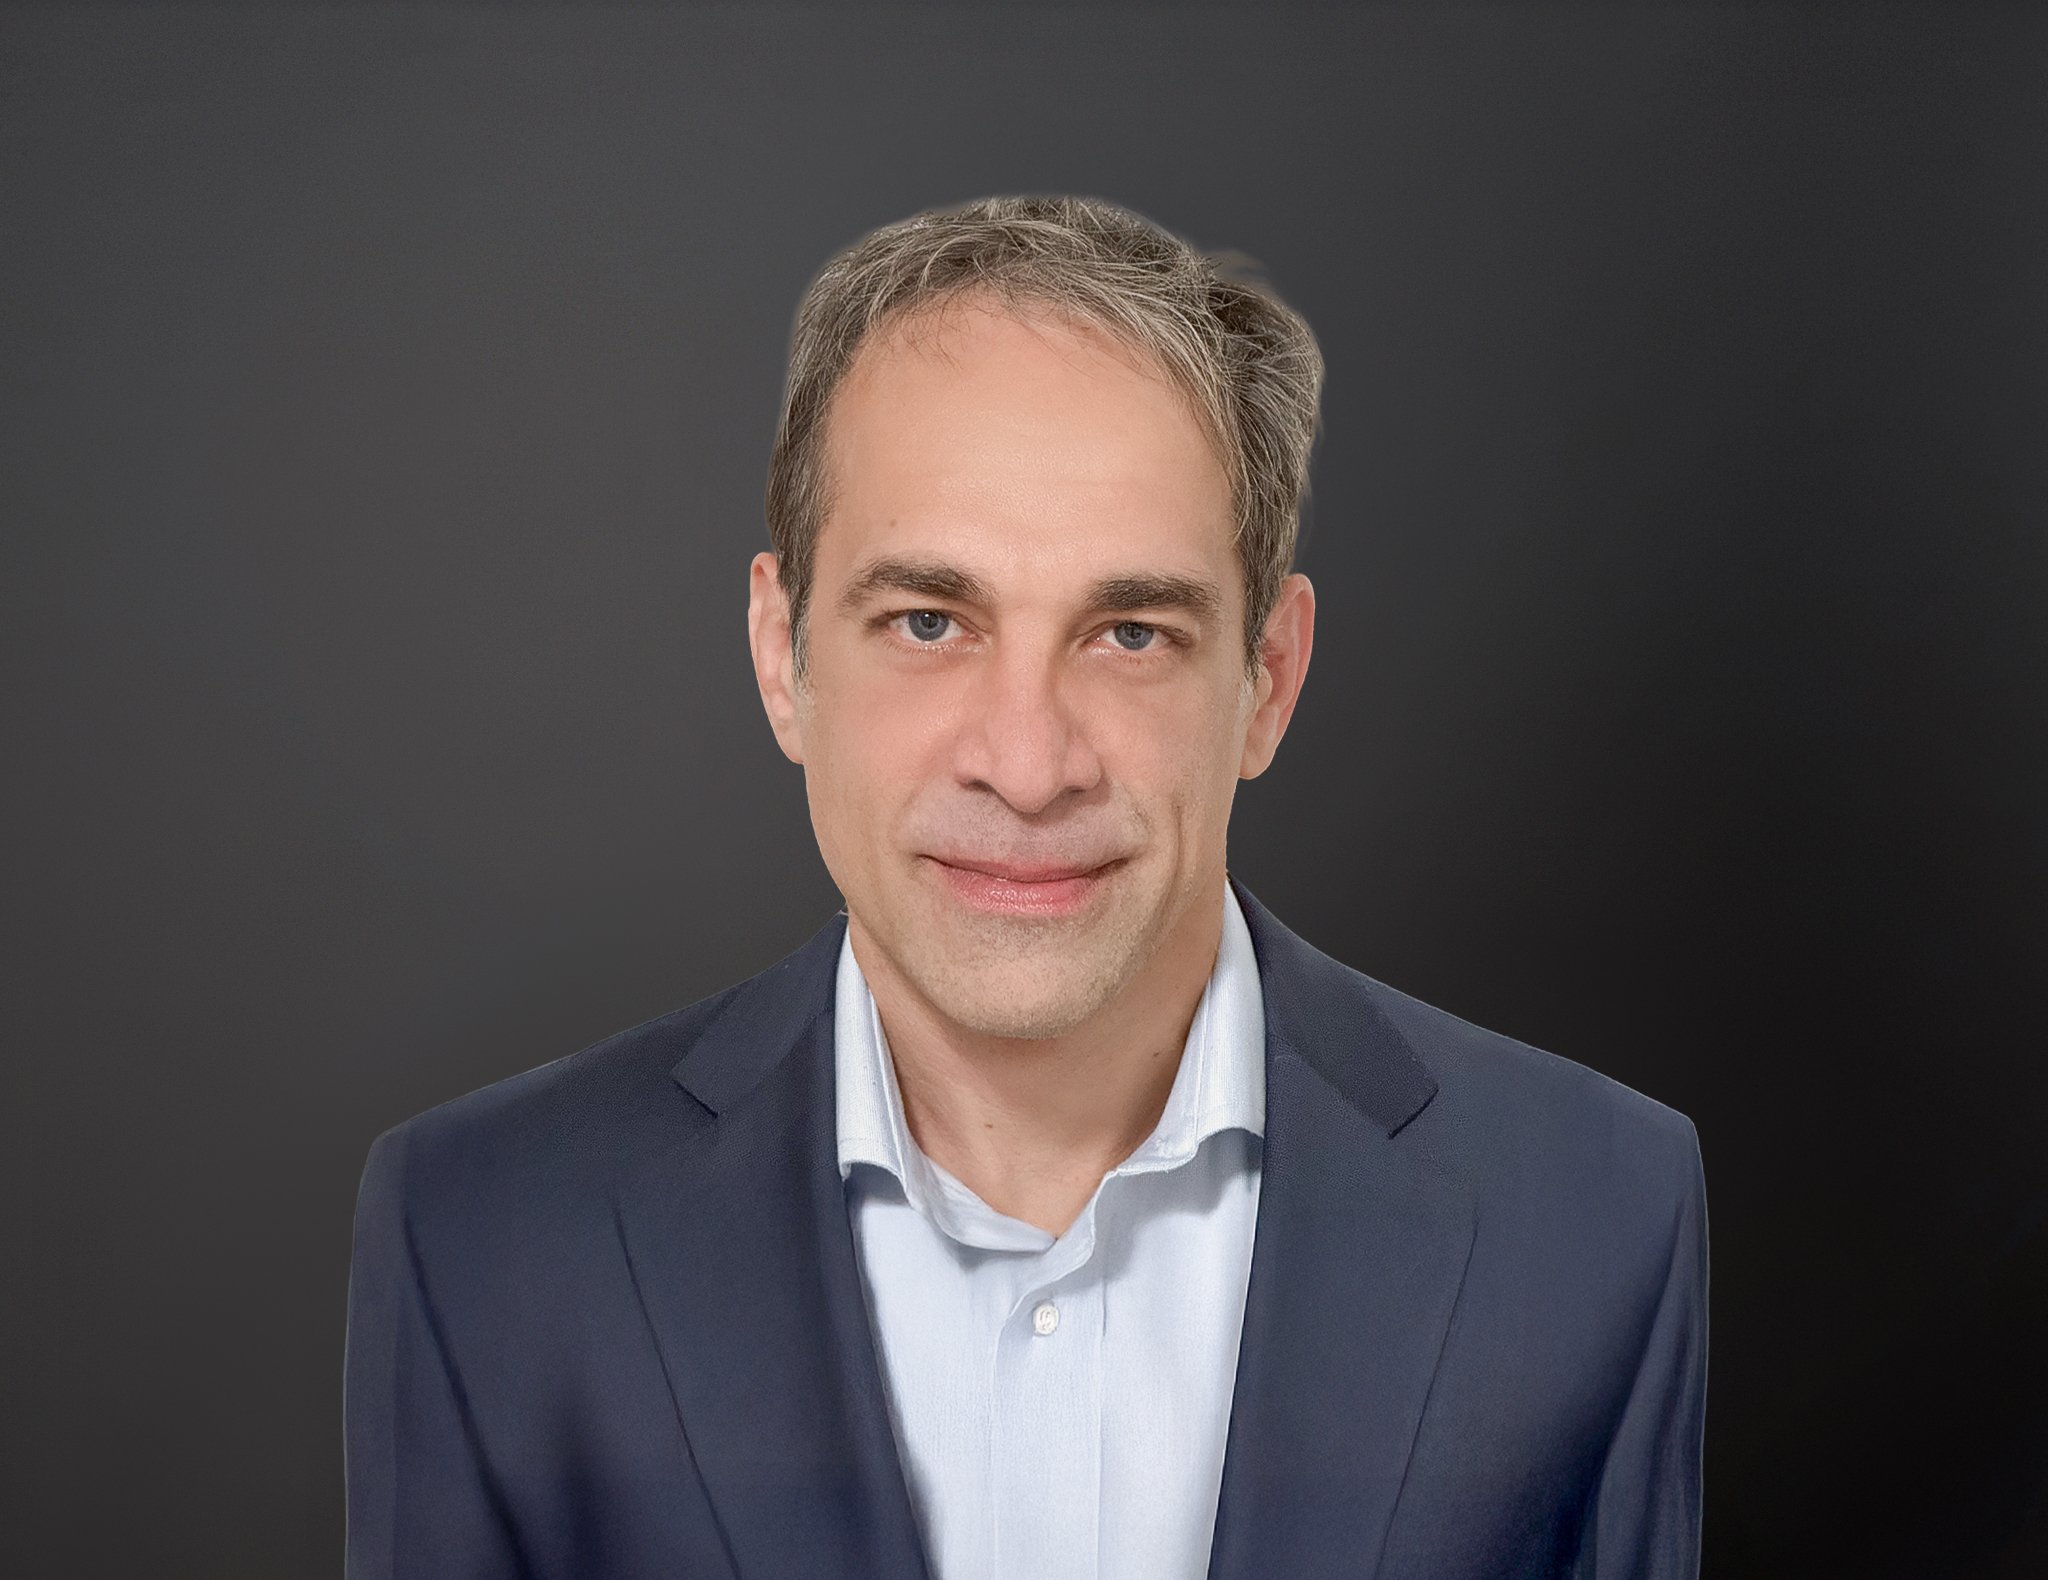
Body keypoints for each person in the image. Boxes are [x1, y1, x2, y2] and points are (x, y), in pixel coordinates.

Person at [344, 195, 1707, 1580]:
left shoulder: (1597, 1218)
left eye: (1129, 633)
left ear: (1267, 684)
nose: (1027, 761)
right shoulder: (484, 1234)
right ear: (781, 653)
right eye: (928, 622)